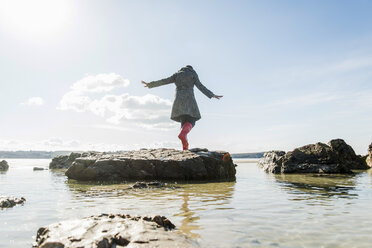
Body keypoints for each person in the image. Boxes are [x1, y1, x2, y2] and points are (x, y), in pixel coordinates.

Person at [141, 65, 222, 150]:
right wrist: (212, 95)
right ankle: (183, 137)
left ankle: (185, 147)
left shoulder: (177, 74)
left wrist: (150, 84)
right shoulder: (192, 73)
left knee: (183, 122)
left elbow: (164, 81)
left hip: (178, 100)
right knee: (192, 120)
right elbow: (200, 86)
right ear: (191, 68)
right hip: (189, 98)